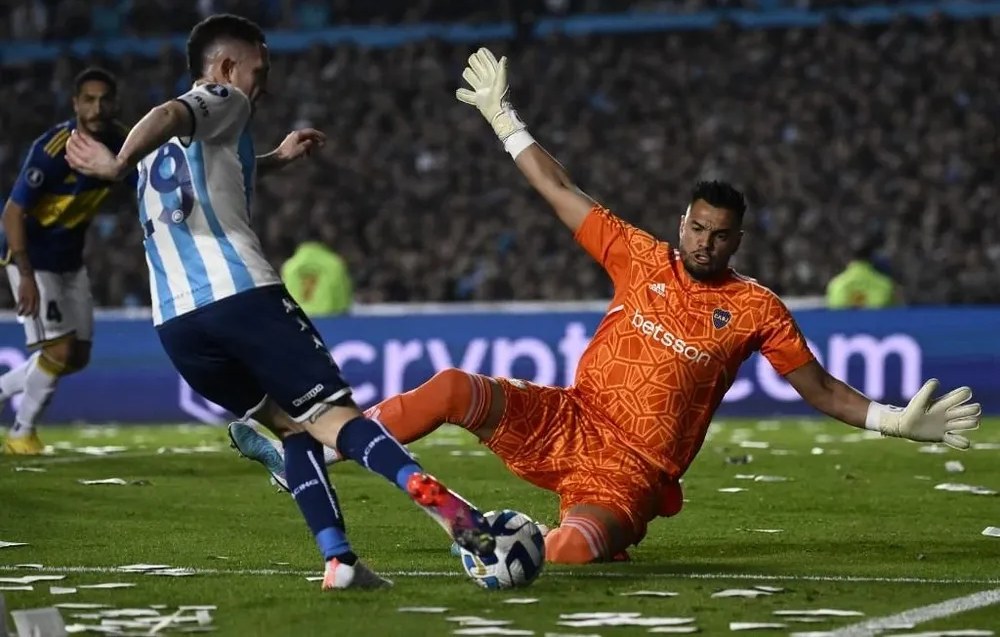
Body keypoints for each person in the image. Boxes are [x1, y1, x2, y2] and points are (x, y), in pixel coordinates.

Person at [227, 47, 982, 565]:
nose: (706, 243)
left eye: (722, 236)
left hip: (633, 473)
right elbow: (560, 189)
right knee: (455, 388)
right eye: (697, 227)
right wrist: (503, 119)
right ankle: (314, 454)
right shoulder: (640, 255)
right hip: (570, 419)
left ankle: (526, 546)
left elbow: (816, 389)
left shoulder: (758, 310)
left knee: (574, 552)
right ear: (682, 220)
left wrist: (890, 420)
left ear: (738, 239)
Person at [64, 15, 495, 589]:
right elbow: (173, 111)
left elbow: (213, 168)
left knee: (293, 429)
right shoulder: (219, 97)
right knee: (337, 418)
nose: (263, 84)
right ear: (223, 68)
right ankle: (446, 508)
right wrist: (113, 162)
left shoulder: (161, 151)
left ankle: (338, 559)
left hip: (176, 325)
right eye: (258, 71)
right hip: (242, 297)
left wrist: (273, 157)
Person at [0, 67, 131, 456]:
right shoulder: (54, 150)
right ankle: (21, 434)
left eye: (104, 99)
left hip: (70, 262)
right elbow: (11, 213)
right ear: (75, 104)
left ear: (115, 103)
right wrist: (24, 275)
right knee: (57, 351)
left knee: (76, 357)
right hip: (34, 260)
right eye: (88, 99)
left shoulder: (122, 143)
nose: (97, 107)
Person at [281, 239, 353, 316]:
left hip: (298, 322)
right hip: (329, 322)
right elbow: (343, 301)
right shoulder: (334, 264)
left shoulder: (289, 266)